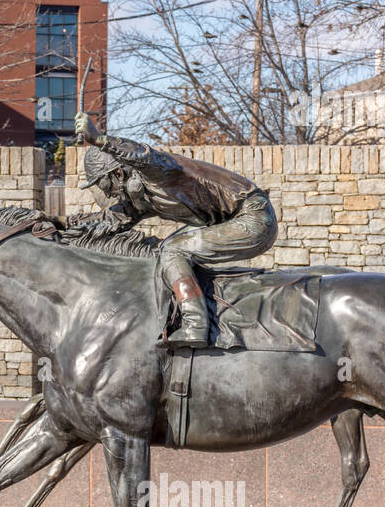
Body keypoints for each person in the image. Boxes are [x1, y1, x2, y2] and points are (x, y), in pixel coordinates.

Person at [74, 117, 277, 347]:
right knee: (164, 249)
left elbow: (145, 155)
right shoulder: (141, 197)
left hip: (253, 217)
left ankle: (195, 326)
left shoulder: (157, 171)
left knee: (173, 251)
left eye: (103, 184)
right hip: (226, 220)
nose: (107, 194)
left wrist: (100, 140)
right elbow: (109, 220)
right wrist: (57, 225)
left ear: (119, 174)